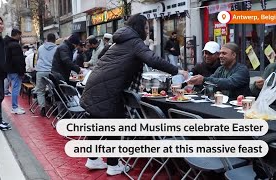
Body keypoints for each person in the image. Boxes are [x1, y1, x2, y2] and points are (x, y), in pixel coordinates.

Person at [80, 14, 187, 176]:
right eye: (146, 28)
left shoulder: (119, 40)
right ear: (138, 28)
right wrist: (178, 70)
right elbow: (152, 60)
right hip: (109, 89)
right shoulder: (135, 42)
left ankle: (93, 158)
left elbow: (102, 56)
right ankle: (113, 165)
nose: (147, 31)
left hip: (95, 85)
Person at [4, 29, 26, 114]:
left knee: (14, 88)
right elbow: (18, 60)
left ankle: (15, 105)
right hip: (15, 70)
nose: (20, 37)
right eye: (20, 35)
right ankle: (15, 107)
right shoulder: (15, 45)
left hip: (10, 69)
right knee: (16, 89)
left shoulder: (7, 44)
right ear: (17, 35)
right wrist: (21, 72)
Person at [35, 33, 57, 116]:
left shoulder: (40, 48)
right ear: (54, 39)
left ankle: (42, 108)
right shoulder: (56, 48)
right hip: (51, 71)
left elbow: (37, 59)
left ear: (46, 39)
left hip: (40, 71)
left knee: (40, 90)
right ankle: (54, 106)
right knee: (54, 90)